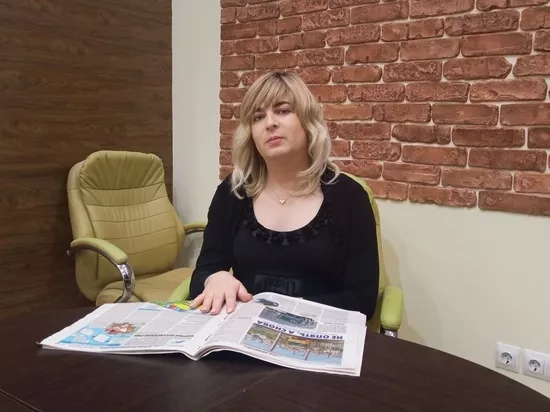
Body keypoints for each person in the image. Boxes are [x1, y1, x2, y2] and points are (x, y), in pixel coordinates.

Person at [188, 71, 379, 319]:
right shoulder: (233, 192)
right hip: (241, 331)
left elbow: (363, 300)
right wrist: (215, 278)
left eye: (283, 110)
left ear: (308, 122)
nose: (270, 123)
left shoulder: (350, 197)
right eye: (258, 117)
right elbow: (200, 279)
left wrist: (279, 312)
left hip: (317, 332)